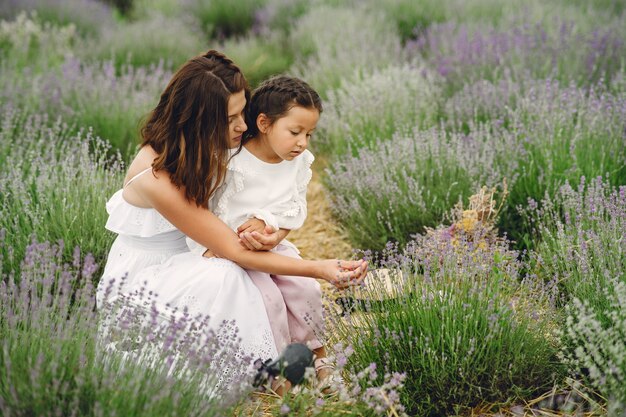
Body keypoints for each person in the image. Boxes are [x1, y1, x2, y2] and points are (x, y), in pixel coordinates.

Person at [95, 50, 367, 389]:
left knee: (256, 272)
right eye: (230, 119)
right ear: (199, 120)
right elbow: (231, 249)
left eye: (244, 112)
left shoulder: (215, 145)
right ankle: (272, 370)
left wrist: (270, 228)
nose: (243, 126)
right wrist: (320, 268)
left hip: (200, 254)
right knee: (229, 276)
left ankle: (298, 362)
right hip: (154, 276)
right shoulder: (155, 174)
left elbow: (261, 198)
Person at [186, 75, 334, 389]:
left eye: (309, 134)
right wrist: (216, 242)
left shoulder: (296, 162)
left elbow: (291, 209)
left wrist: (269, 228)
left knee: (305, 289)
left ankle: (318, 355)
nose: (303, 143)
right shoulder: (232, 160)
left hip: (270, 247)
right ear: (264, 123)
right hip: (231, 253)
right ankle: (279, 367)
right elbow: (207, 208)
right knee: (268, 299)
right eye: (295, 132)